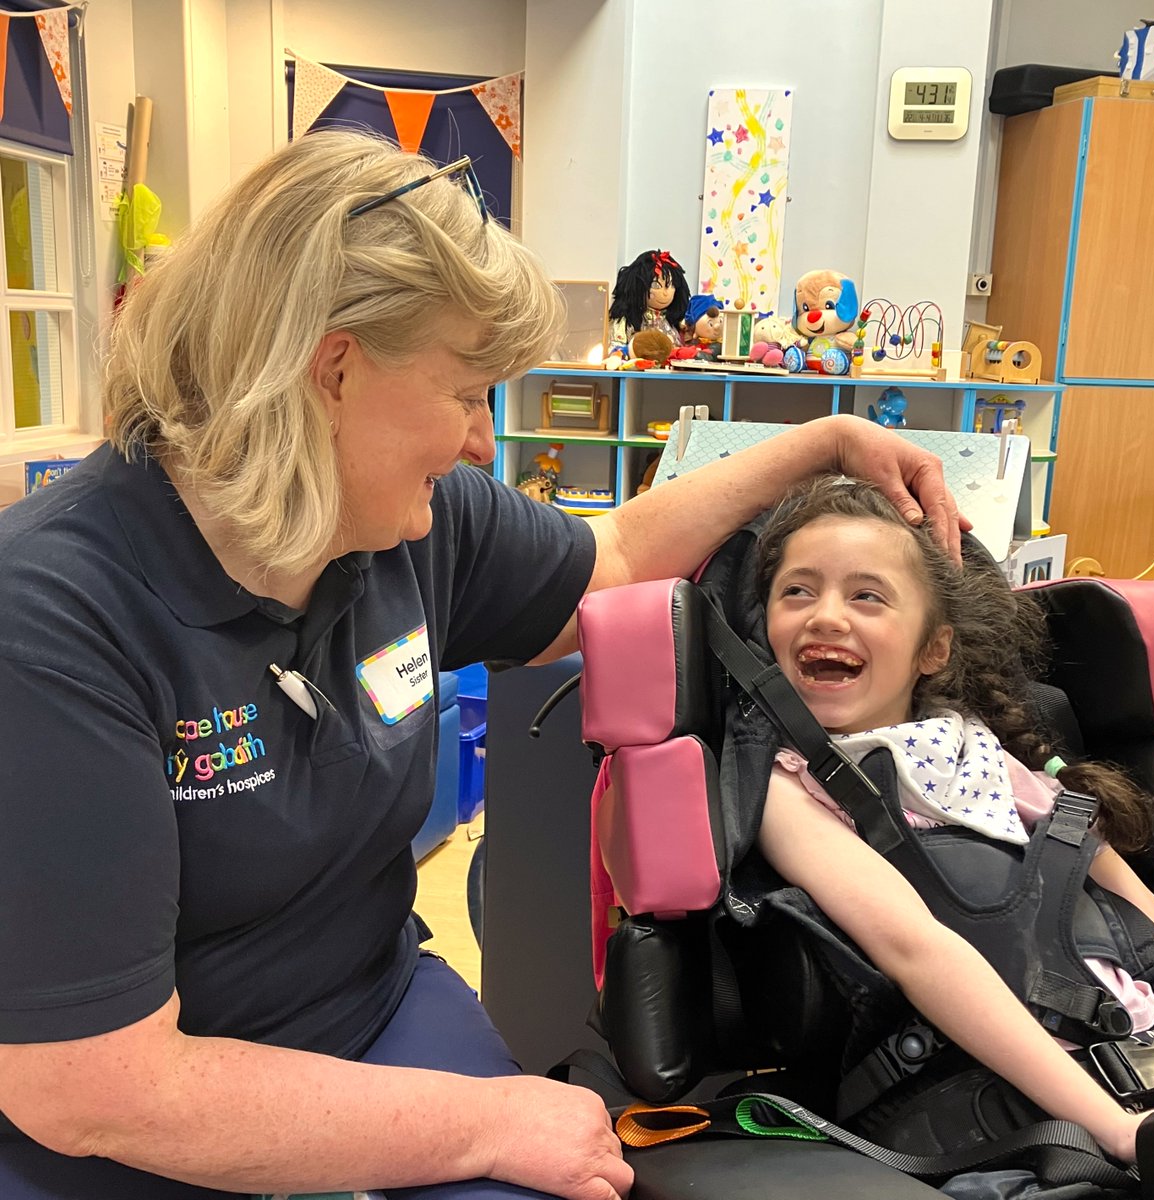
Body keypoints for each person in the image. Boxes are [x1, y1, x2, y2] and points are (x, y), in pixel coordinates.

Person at [0, 129, 965, 1200]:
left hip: (366, 1012)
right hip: (132, 1137)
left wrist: (821, 444)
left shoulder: (406, 523)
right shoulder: (50, 621)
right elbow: (94, 1091)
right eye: (466, 394)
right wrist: (480, 1122)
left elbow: (619, 556)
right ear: (333, 370)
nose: (483, 443)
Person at [754, 474, 1154, 1169]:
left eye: (866, 595)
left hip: (1152, 1051)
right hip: (1004, 1108)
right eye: (798, 591)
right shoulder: (790, 789)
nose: (827, 616)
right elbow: (917, 949)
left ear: (933, 648)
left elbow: (1144, 913)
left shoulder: (976, 750)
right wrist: (1116, 1129)